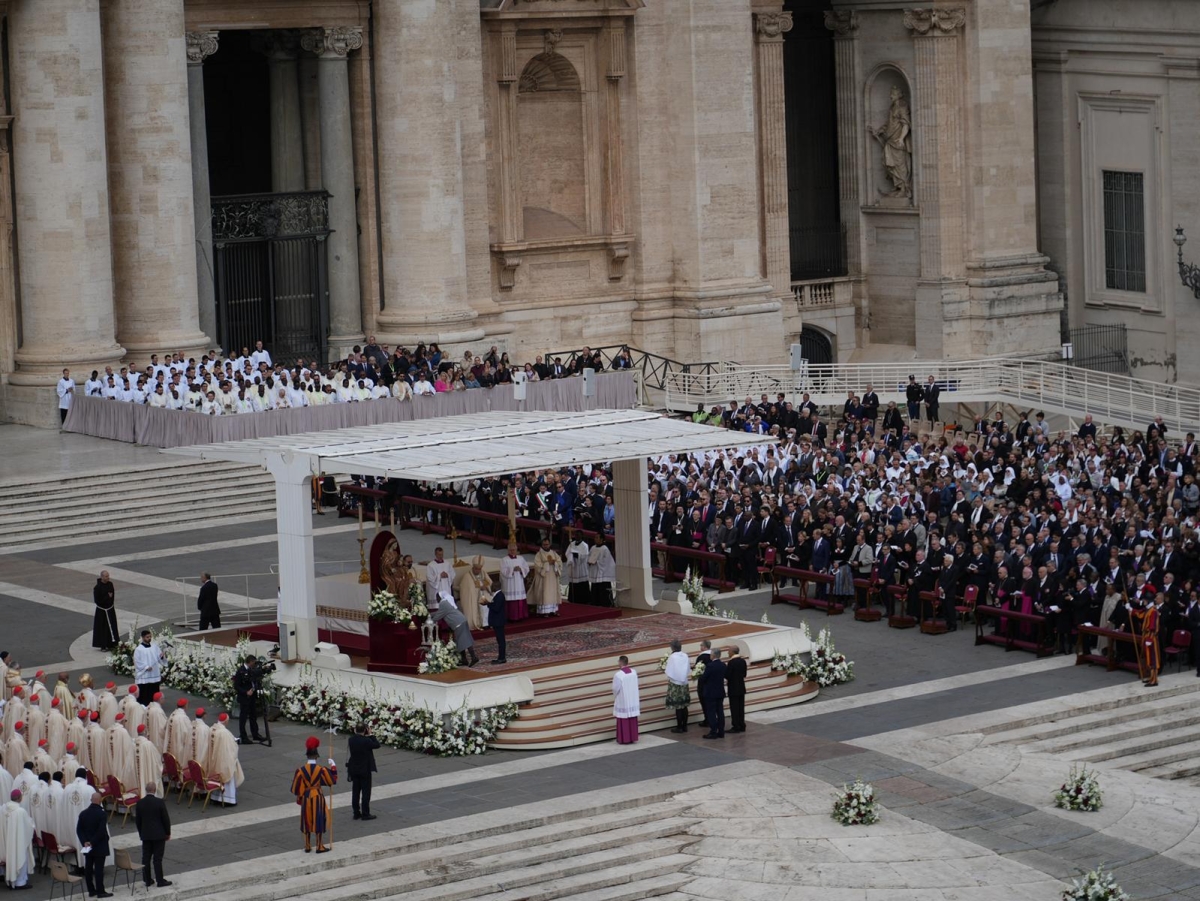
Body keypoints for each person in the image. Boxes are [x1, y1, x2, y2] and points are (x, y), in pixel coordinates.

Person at [291, 737, 337, 854]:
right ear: (317, 756)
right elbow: (331, 781)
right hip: (317, 796)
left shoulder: (300, 770)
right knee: (318, 819)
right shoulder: (321, 769)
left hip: (306, 796)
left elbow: (296, 787)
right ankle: (319, 845)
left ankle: (307, 845)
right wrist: (333, 767)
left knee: (306, 820)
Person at [133, 782, 171, 888]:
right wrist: (167, 833)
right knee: (157, 859)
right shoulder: (159, 802)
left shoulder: (140, 803)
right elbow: (165, 819)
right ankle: (160, 880)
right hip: (159, 835)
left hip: (146, 834)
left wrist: (141, 833)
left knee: (146, 858)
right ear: (154, 790)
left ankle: (147, 879)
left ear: (146, 790)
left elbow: (138, 821)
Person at [76, 791, 112, 897]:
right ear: (100, 800)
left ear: (91, 800)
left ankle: (91, 890)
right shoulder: (102, 814)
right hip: (99, 845)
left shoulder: (83, 813)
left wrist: (85, 842)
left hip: (88, 846)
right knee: (99, 869)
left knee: (88, 868)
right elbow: (101, 831)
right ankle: (100, 891)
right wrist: (92, 842)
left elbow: (79, 830)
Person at [432, 592, 480, 667]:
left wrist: (430, 620)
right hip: (461, 621)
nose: (436, 599)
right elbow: (439, 612)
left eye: (437, 597)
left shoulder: (443, 603)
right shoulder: (445, 602)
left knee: (465, 641)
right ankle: (464, 660)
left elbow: (439, 615)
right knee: (461, 641)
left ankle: (474, 657)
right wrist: (430, 614)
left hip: (458, 623)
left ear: (440, 597)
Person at [207, 713, 244, 805]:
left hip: (213, 759)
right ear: (226, 721)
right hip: (223, 759)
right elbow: (230, 747)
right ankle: (228, 800)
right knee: (227, 774)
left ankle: (215, 797)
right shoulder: (224, 732)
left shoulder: (211, 728)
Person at [346, 723, 380, 822]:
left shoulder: (351, 740)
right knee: (366, 792)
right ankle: (365, 813)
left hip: (354, 769)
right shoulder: (367, 741)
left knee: (355, 791)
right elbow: (377, 745)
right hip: (365, 769)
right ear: (365, 730)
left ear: (355, 730)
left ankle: (356, 813)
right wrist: (371, 735)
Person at [3, 788, 35, 889]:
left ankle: (10, 879)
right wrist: (32, 824)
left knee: (11, 859)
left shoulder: (3, 808)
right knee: (21, 857)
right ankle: (20, 882)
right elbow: (29, 826)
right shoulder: (20, 811)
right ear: (20, 798)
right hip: (18, 841)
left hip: (8, 842)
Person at [233, 655, 264, 744]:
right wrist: (245, 692)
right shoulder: (241, 671)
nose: (254, 664)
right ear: (250, 662)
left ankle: (255, 734)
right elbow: (236, 686)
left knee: (253, 716)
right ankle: (243, 736)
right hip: (244, 698)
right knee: (243, 718)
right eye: (254, 662)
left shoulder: (251, 670)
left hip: (252, 697)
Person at [664, 640, 692, 733]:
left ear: (673, 647)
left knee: (678, 706)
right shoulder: (685, 655)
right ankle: (685, 726)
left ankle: (679, 727)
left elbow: (669, 670)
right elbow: (688, 669)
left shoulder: (672, 657)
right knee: (684, 706)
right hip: (684, 683)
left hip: (675, 684)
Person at [611, 656, 640, 744]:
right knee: (632, 718)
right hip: (632, 699)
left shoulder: (618, 675)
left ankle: (624, 738)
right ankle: (632, 737)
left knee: (623, 718)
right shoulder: (634, 672)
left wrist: (615, 696)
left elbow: (615, 688)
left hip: (623, 699)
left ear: (620, 662)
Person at [700, 649, 728, 739]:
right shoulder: (723, 665)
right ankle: (721, 731)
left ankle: (713, 732)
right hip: (720, 691)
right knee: (720, 711)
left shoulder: (710, 666)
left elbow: (704, 678)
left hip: (710, 693)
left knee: (711, 712)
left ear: (713, 655)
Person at [531, 538, 562, 616]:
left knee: (553, 593)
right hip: (544, 578)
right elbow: (537, 566)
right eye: (544, 544)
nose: (545, 546)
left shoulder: (554, 553)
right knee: (545, 593)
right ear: (542, 545)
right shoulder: (539, 554)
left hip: (553, 577)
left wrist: (555, 563)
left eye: (547, 544)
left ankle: (553, 610)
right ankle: (544, 612)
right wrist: (547, 564)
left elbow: (559, 562)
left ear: (549, 544)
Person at [500, 543, 530, 621]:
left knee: (519, 598)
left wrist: (521, 570)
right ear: (508, 550)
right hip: (510, 583)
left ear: (516, 550)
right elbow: (503, 571)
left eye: (514, 550)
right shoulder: (504, 559)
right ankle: (511, 616)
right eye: (511, 550)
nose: (512, 551)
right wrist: (512, 570)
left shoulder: (521, 558)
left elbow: (526, 568)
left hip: (519, 582)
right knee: (511, 600)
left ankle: (521, 615)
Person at [132, 630, 164, 706]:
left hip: (154, 673)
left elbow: (159, 657)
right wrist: (146, 667)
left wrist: (162, 657)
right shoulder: (139, 649)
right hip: (145, 674)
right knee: (145, 691)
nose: (149, 638)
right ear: (143, 637)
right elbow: (137, 661)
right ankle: (143, 705)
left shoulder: (154, 646)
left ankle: (155, 704)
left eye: (150, 637)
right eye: (147, 637)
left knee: (154, 689)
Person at [92, 572, 118, 651]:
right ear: (102, 577)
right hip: (102, 611)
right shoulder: (97, 588)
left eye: (108, 576)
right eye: (106, 576)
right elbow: (97, 600)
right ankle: (103, 645)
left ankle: (112, 643)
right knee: (103, 628)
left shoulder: (110, 584)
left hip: (110, 609)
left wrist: (110, 601)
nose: (108, 577)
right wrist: (107, 597)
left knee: (112, 626)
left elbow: (112, 595)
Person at [480, 589, 508, 664]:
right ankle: (501, 657)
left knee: (501, 640)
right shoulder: (498, 595)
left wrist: (488, 604)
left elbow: (496, 608)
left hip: (498, 621)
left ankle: (502, 658)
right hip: (497, 621)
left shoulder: (499, 595)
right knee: (500, 640)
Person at [726, 650, 748, 733]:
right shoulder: (743, 661)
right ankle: (742, 724)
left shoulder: (731, 663)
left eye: (729, 651)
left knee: (734, 708)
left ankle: (736, 726)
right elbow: (744, 674)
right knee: (741, 707)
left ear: (732, 652)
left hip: (733, 688)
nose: (728, 653)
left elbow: (728, 675)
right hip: (741, 687)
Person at [565, 536, 591, 606]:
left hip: (581, 567)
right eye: (576, 535)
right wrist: (571, 555)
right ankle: (572, 599)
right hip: (574, 567)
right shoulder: (571, 544)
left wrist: (576, 554)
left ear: (581, 536)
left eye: (579, 535)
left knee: (582, 584)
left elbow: (584, 556)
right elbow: (567, 553)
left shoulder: (585, 545)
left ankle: (584, 600)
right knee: (573, 584)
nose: (577, 537)